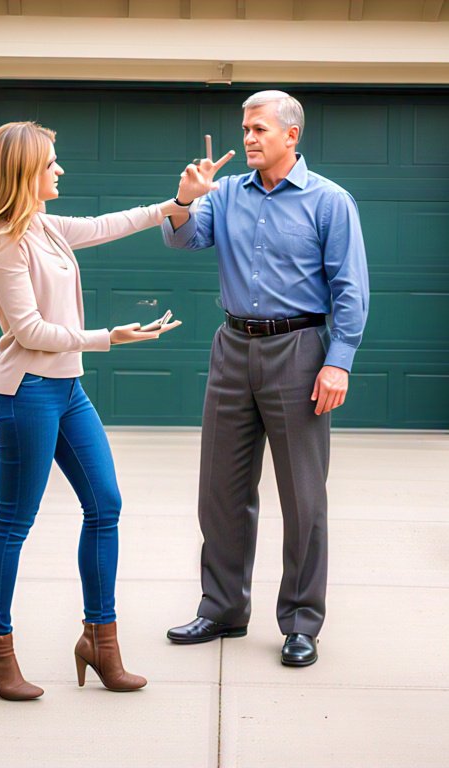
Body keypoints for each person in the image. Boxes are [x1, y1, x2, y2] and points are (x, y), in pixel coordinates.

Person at [0, 121, 229, 700]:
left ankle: (100, 641)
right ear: (23, 171)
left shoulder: (45, 226)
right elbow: (29, 330)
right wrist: (110, 336)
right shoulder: (5, 238)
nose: (60, 170)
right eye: (51, 162)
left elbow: (112, 224)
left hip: (65, 389)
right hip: (25, 392)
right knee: (14, 522)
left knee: (105, 504)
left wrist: (180, 201)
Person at [163, 91, 369, 666]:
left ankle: (302, 622)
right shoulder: (224, 194)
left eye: (258, 129)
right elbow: (182, 237)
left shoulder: (329, 202)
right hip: (231, 348)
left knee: (303, 496)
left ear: (291, 135)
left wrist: (339, 360)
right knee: (220, 489)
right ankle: (223, 608)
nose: (248, 138)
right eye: (245, 128)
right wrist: (184, 198)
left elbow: (351, 289)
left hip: (300, 350)